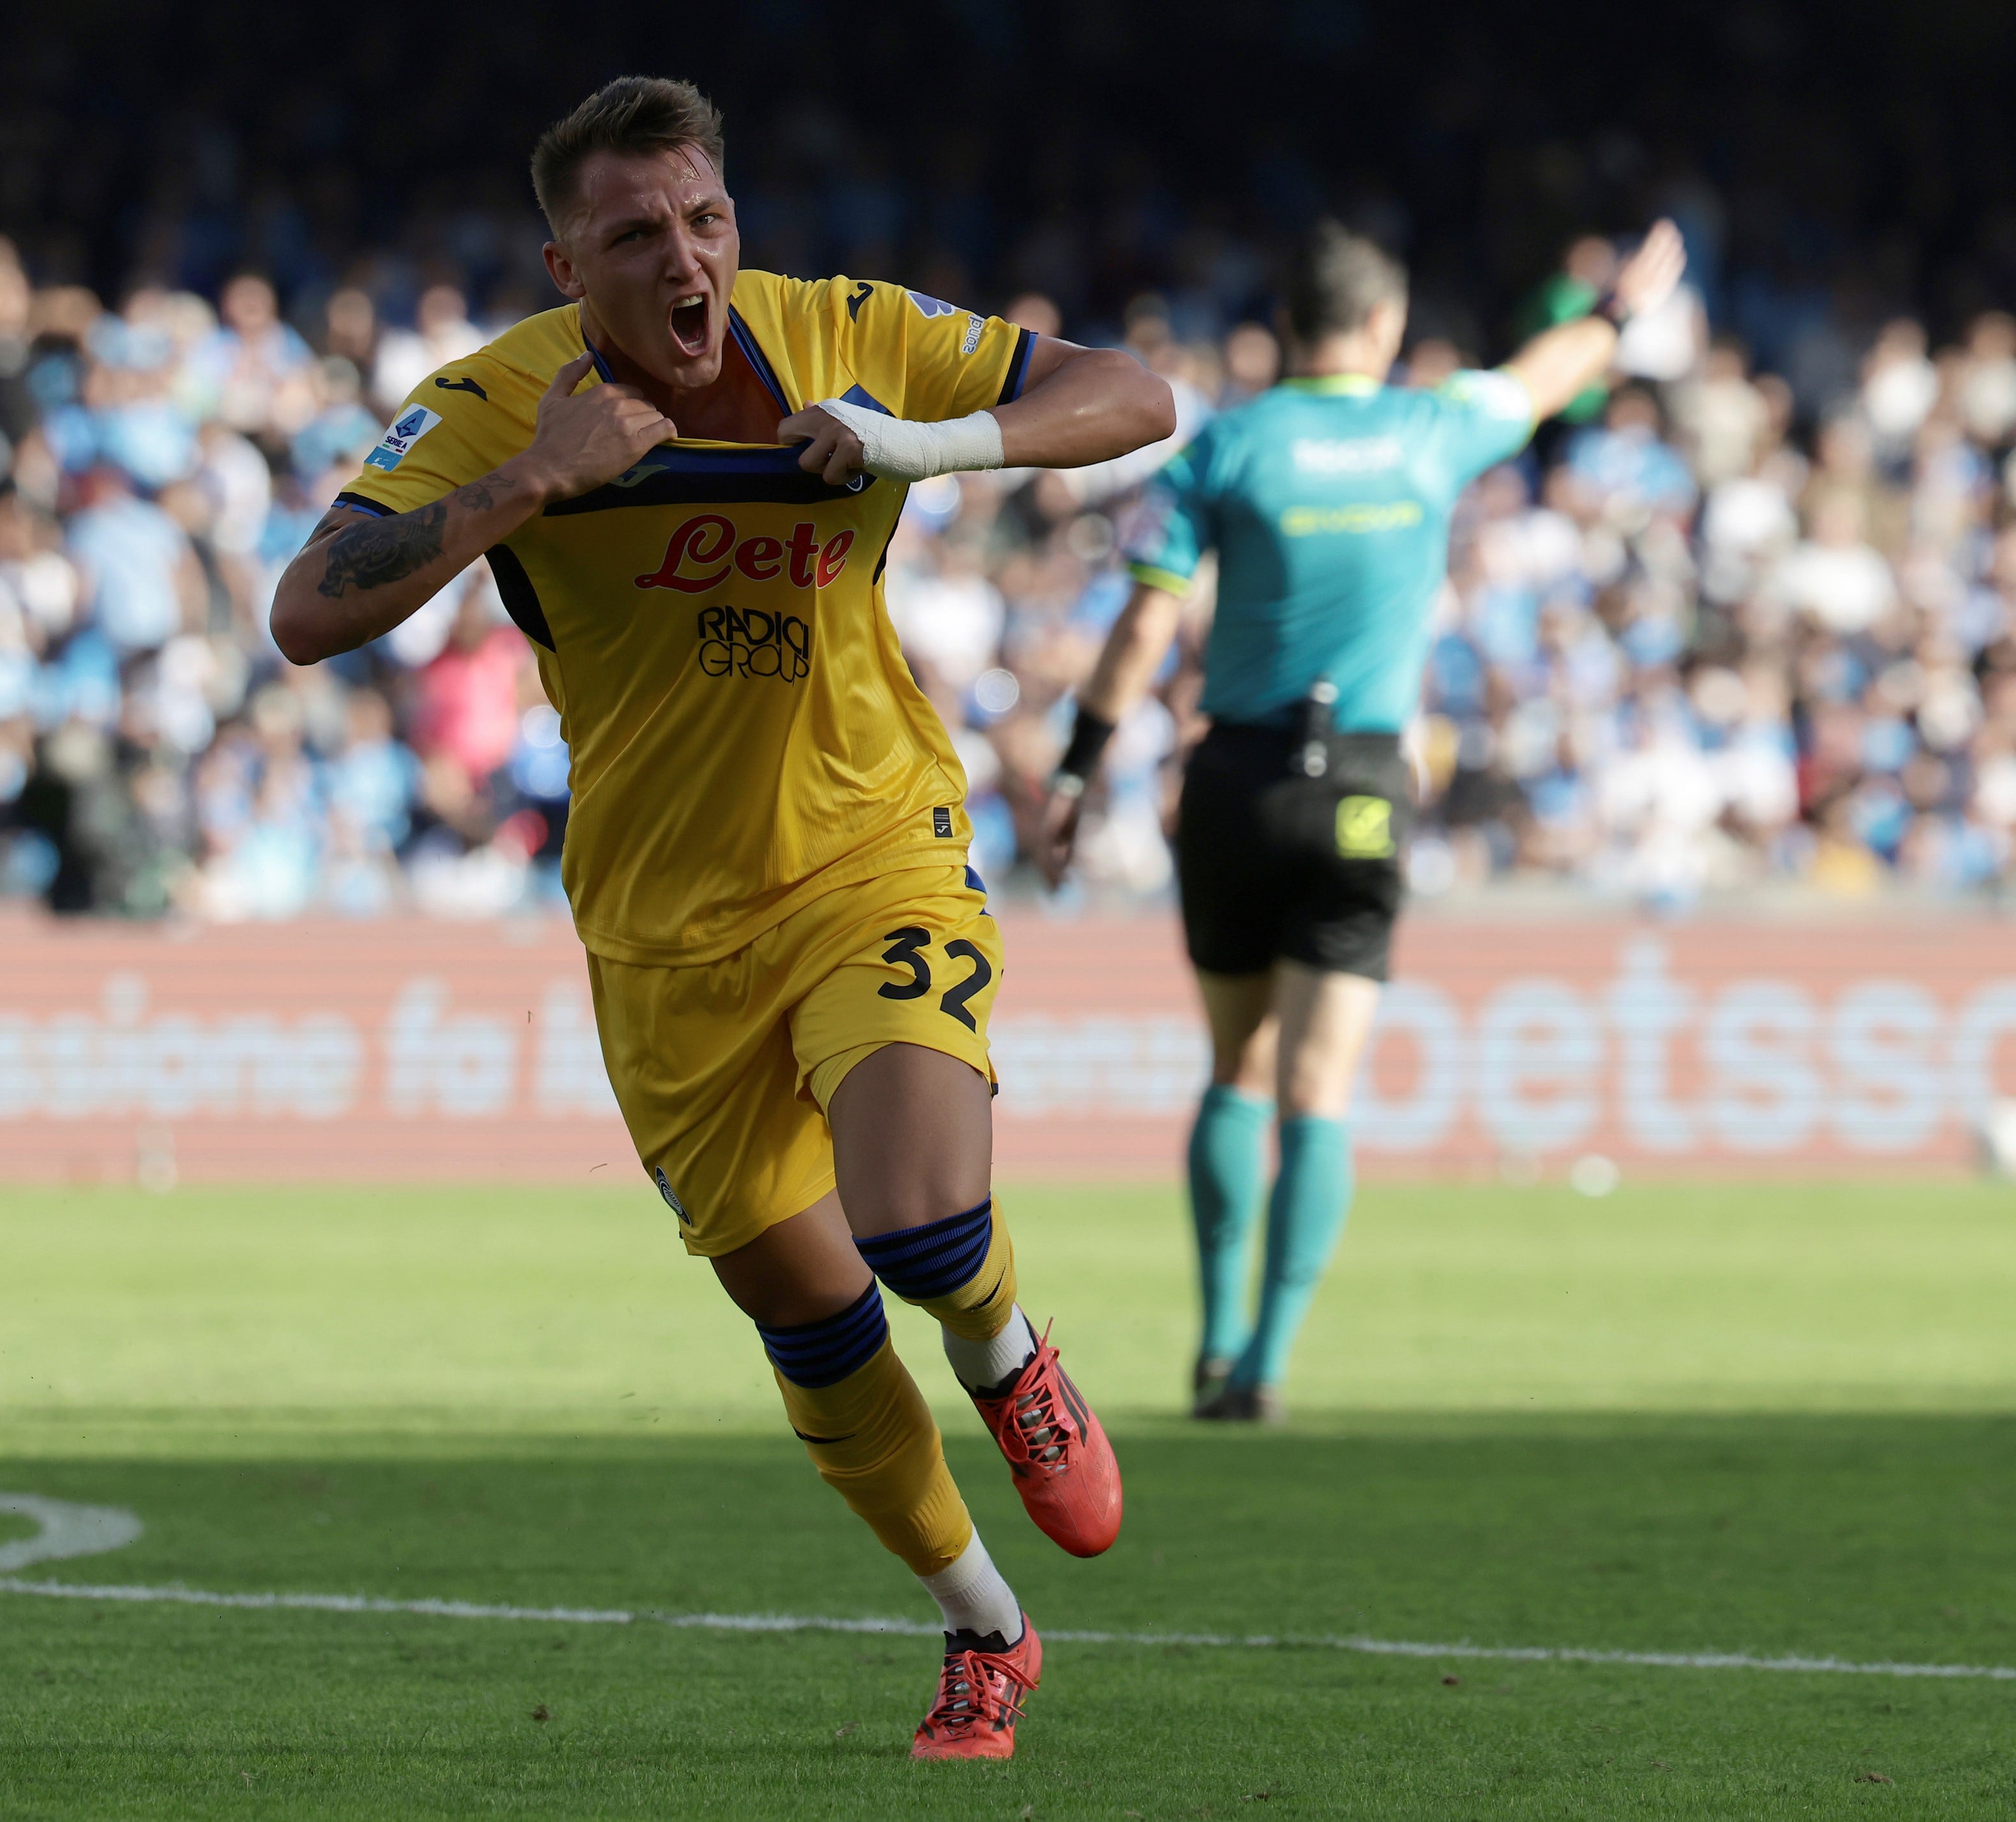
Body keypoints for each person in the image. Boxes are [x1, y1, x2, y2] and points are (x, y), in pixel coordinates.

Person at [268, 78, 1175, 1762]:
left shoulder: (841, 332)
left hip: (865, 854)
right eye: (635, 237)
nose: (685, 260)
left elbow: (1134, 395)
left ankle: (1005, 1347)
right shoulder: (490, 404)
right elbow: (307, 609)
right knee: (811, 1320)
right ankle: (985, 1628)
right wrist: (523, 489)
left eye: (705, 220)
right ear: (568, 264)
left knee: (916, 1227)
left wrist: (925, 442)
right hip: (660, 934)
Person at [1036, 219, 1688, 1421]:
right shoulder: (1428, 427)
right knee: (1319, 1087)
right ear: (1385, 330)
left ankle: (1216, 1329)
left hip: (1232, 782)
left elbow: (1142, 628)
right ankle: (1266, 1364)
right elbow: (1553, 375)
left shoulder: (1223, 447)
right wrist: (1620, 315)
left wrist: (1077, 773)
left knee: (1236, 1064)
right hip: (1365, 789)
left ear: (1286, 328)